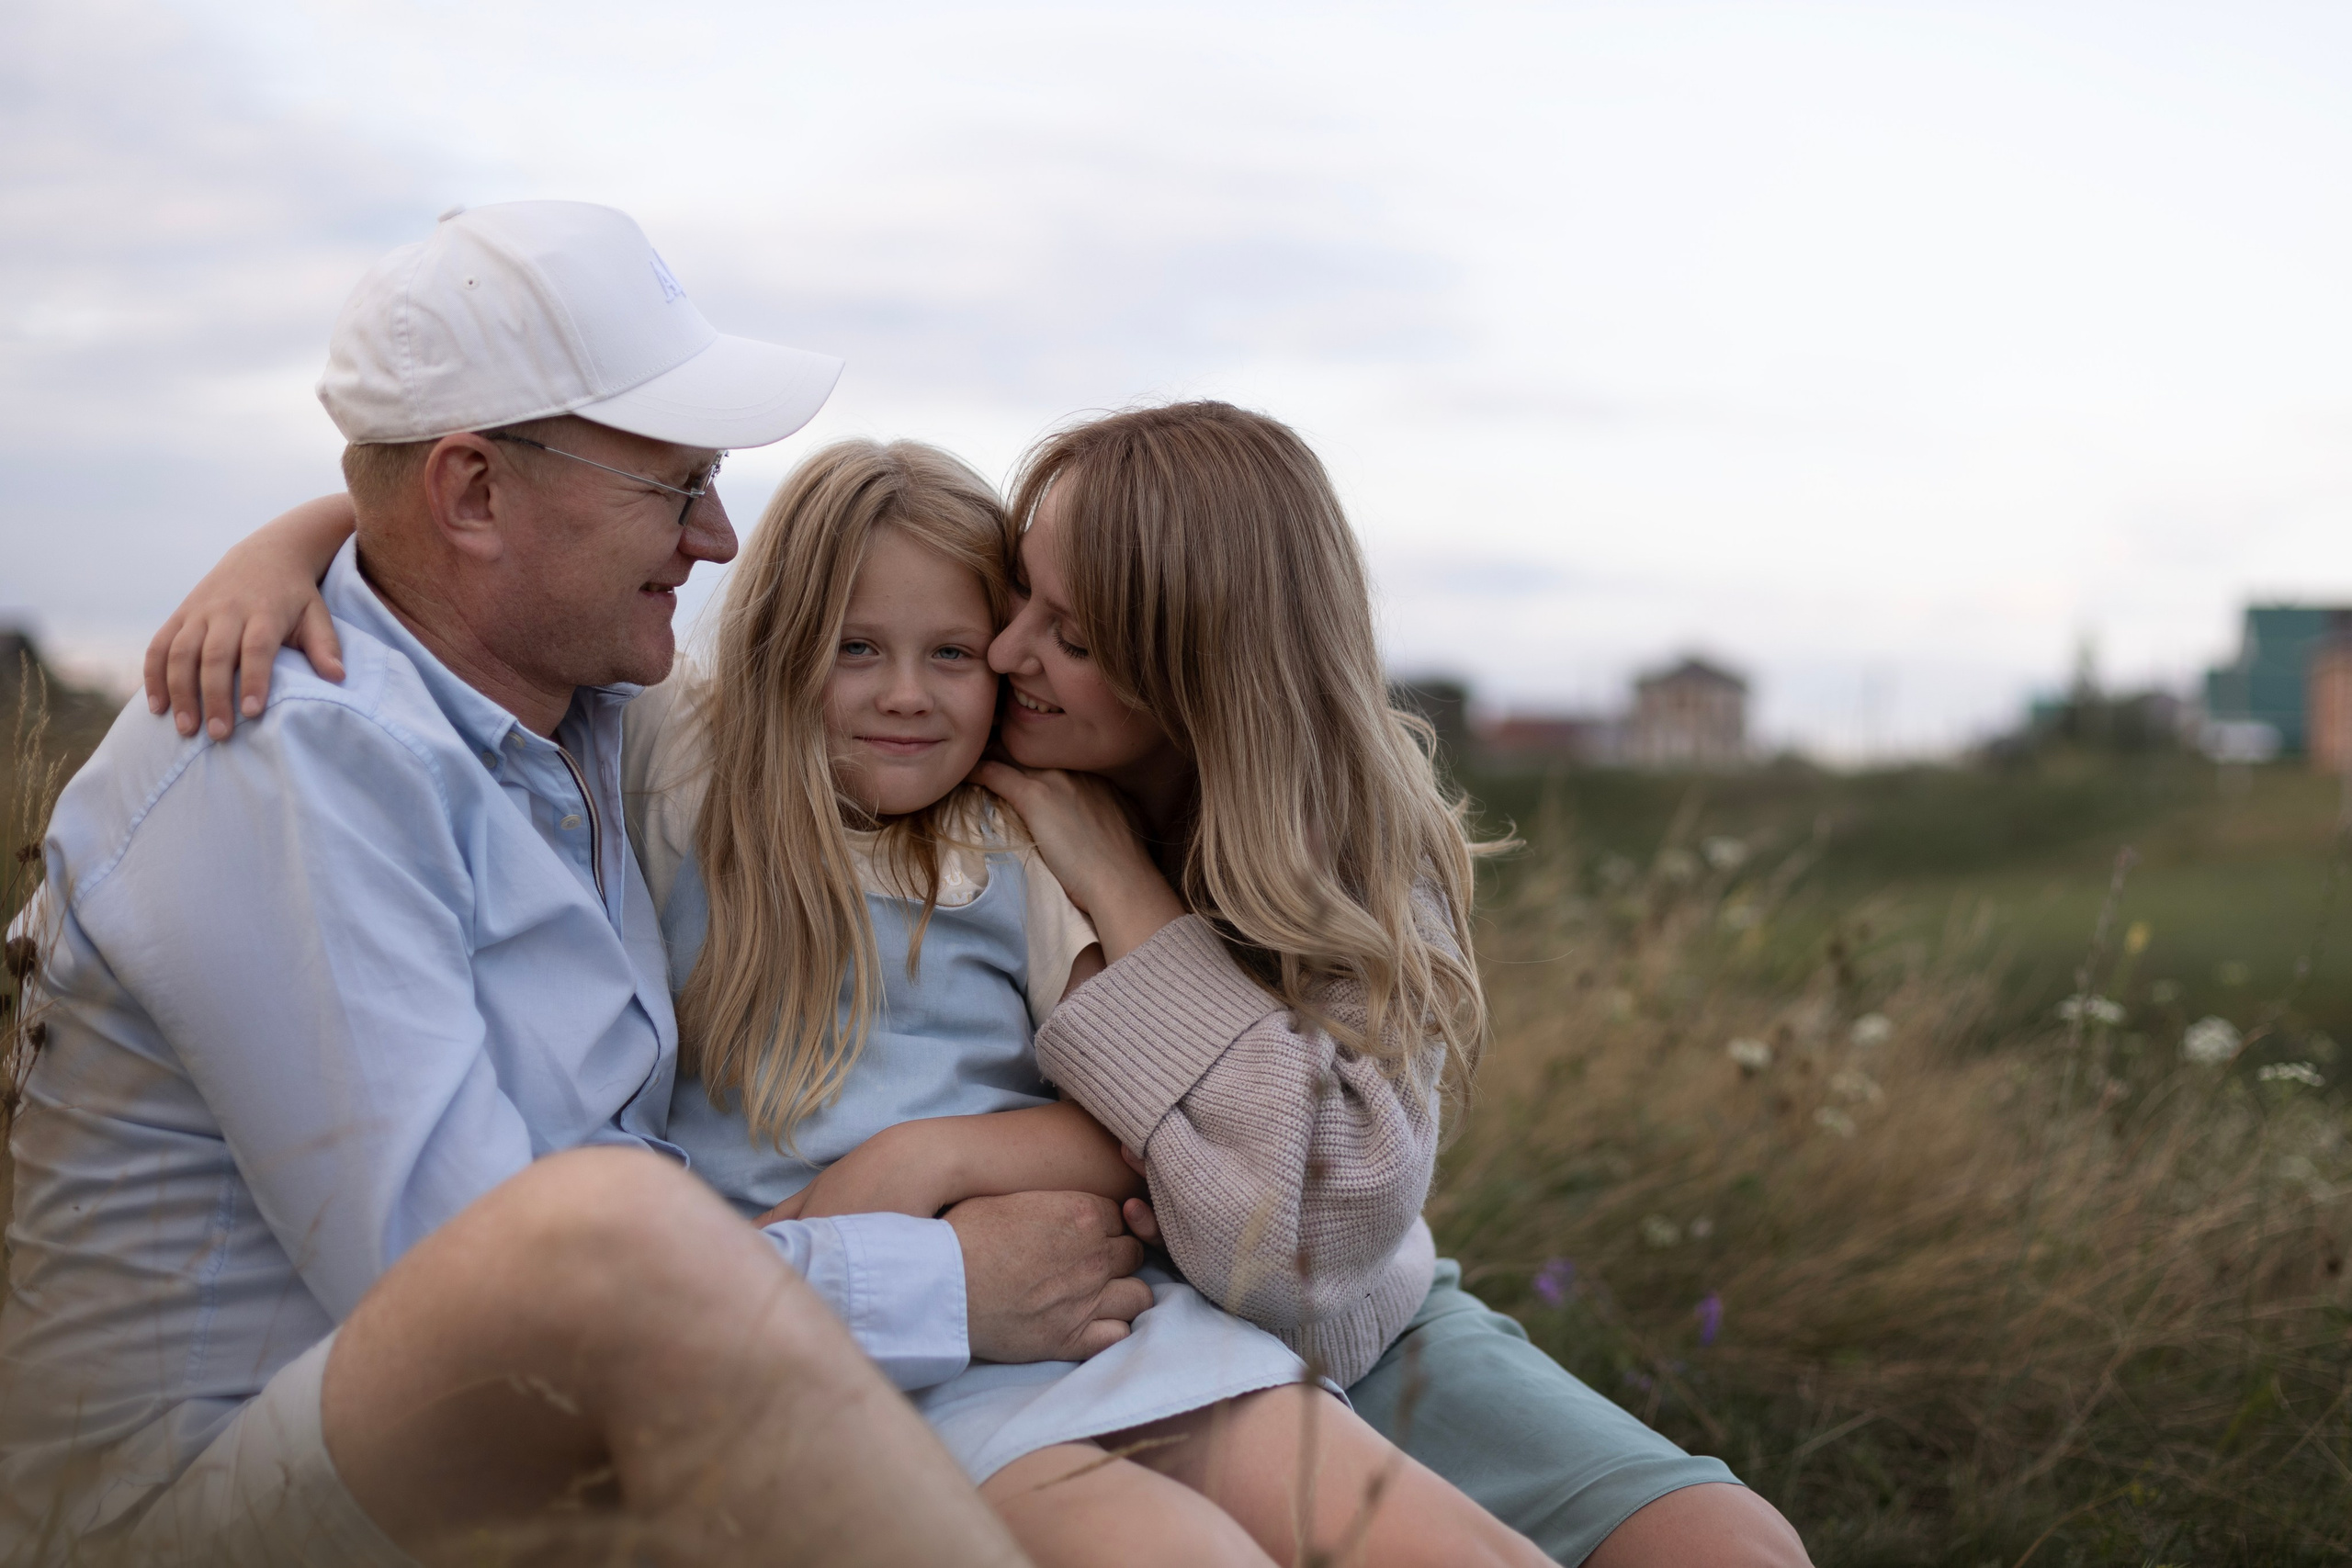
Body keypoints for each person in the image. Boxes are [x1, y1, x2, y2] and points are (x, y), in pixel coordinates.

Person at [146, 407, 1813, 1562]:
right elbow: (516, 622)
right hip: (986, 1327)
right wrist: (294, 543)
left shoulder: (1219, 847)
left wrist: (965, 1123)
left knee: (1695, 1543)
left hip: (1270, 1315)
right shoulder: (733, 781)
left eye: (1032, 637)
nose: (988, 672)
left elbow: (1279, 1224)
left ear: (1185, 660)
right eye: (1006, 621)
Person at [0, 200, 1158, 1565]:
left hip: (451, 1453)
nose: (718, 536)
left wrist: (309, 530)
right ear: (475, 493)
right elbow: (484, 1276)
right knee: (605, 1226)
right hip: (188, 1504)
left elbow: (406, 533)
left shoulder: (581, 716)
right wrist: (945, 1283)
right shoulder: (287, 755)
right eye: (674, 486)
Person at [620, 434, 1549, 1566]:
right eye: (855, 647)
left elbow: (1143, 1131)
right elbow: (492, 614)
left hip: (1111, 1317)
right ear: (777, 646)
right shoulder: (687, 774)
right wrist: (333, 534)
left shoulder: (1017, 838)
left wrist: (937, 1155)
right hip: (857, 1329)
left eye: (955, 652)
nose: (907, 694)